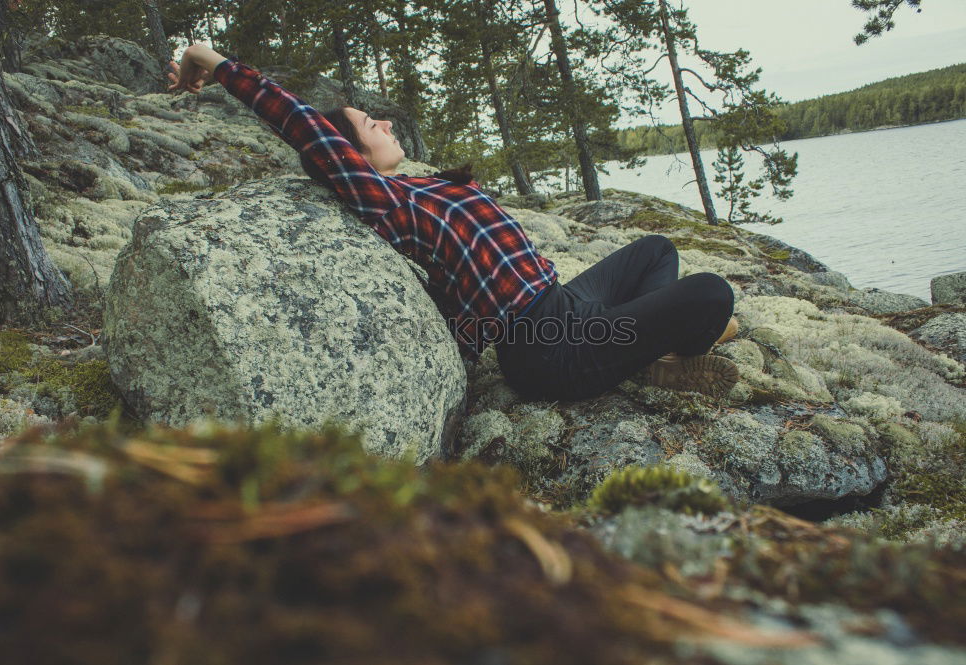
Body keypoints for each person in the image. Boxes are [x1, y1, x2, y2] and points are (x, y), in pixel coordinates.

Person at [167, 44, 740, 402]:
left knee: (657, 250)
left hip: (564, 306)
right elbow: (297, 121)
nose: (386, 123)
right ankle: (661, 347)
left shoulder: (420, 190)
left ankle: (643, 349)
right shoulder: (381, 196)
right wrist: (210, 59)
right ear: (348, 153)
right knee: (712, 294)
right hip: (547, 345)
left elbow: (459, 294)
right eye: (371, 123)